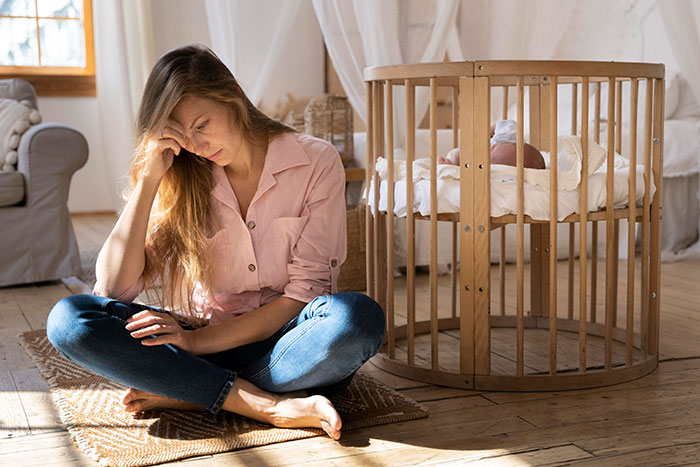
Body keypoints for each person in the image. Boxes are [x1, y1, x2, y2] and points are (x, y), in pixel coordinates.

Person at [46, 44, 385, 441]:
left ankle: (189, 389)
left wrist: (192, 343)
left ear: (232, 98)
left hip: (289, 345)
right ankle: (263, 403)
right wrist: (150, 179)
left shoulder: (316, 162)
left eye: (202, 124)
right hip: (212, 336)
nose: (195, 144)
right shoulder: (183, 176)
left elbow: (303, 294)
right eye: (181, 134)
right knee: (70, 321)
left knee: (357, 320)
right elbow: (115, 288)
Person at [438, 120, 546, 169]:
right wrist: (482, 136)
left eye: (488, 159)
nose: (487, 152)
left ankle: (451, 165)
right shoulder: (509, 134)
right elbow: (500, 124)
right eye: (493, 149)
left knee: (458, 157)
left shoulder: (495, 170)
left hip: (470, 158)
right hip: (480, 140)